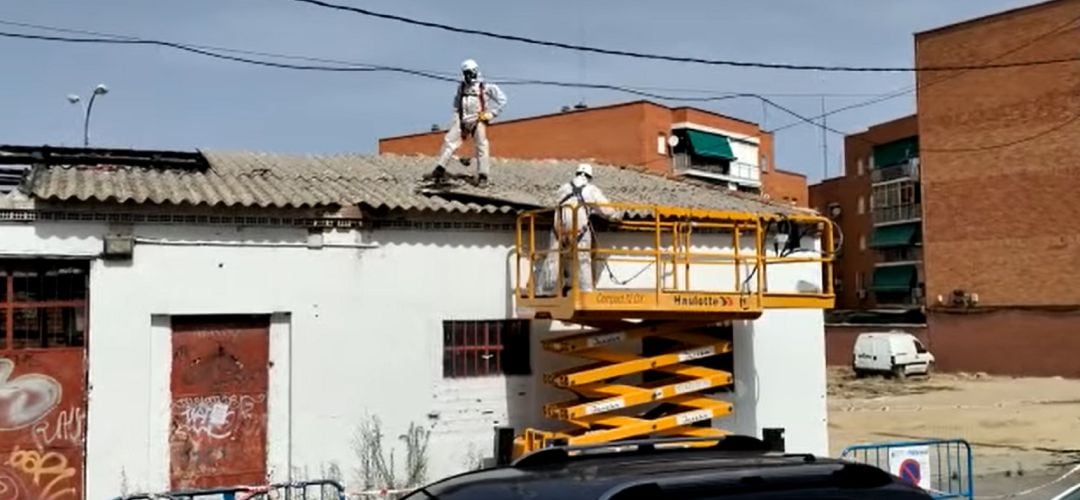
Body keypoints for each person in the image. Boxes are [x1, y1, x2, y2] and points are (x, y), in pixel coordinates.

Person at [539, 163, 622, 295]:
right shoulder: (591, 189)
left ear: (577, 174)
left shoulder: (563, 188)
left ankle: (545, 291)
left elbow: (550, 203)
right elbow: (606, 209)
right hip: (579, 229)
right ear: (590, 176)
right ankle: (586, 291)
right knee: (583, 259)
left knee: (552, 258)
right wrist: (616, 215)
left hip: (558, 228)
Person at [429, 59, 507, 188]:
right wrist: (456, 120)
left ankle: (483, 175)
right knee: (449, 142)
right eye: (465, 73)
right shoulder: (462, 87)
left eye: (469, 73)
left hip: (478, 120)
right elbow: (456, 104)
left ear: (475, 72)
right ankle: (440, 169)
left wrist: (491, 114)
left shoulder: (485, 86)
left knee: (482, 146)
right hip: (462, 120)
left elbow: (502, 100)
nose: (467, 76)